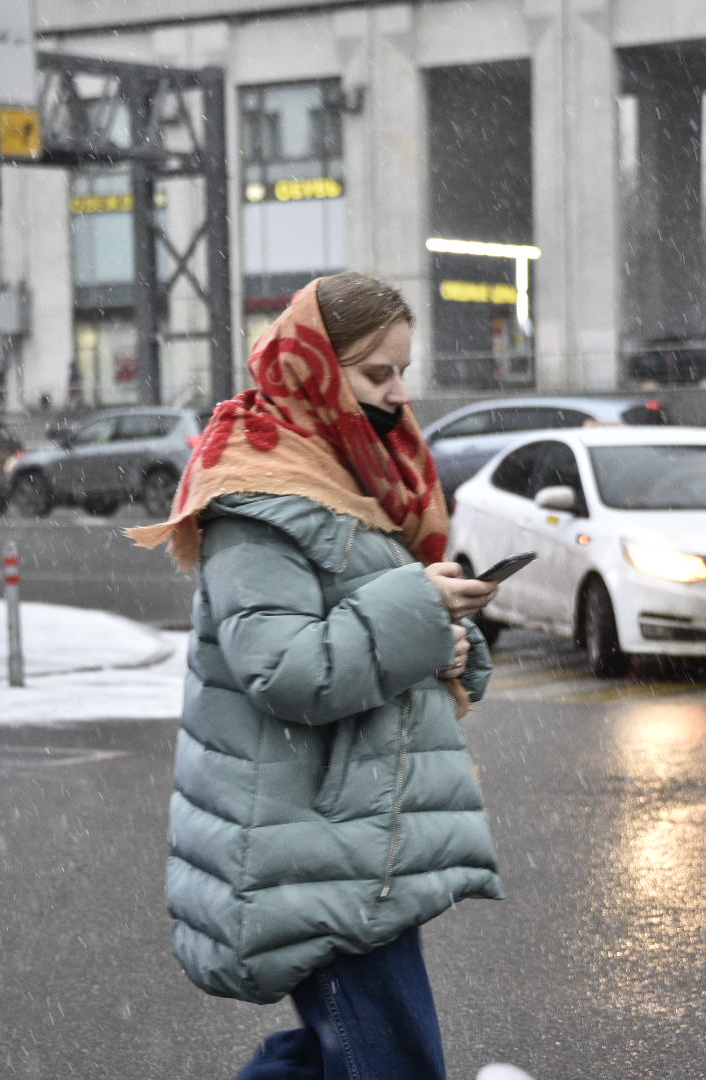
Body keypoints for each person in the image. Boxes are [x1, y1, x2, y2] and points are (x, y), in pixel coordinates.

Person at [128, 273, 505, 1080]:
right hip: (316, 848)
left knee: (340, 1056)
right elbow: (285, 670)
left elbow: (380, 629)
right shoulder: (257, 489)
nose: (398, 395)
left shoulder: (362, 473)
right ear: (316, 370)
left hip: (361, 839)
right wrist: (417, 610)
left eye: (404, 371)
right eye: (377, 375)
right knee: (390, 1063)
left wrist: (454, 639)